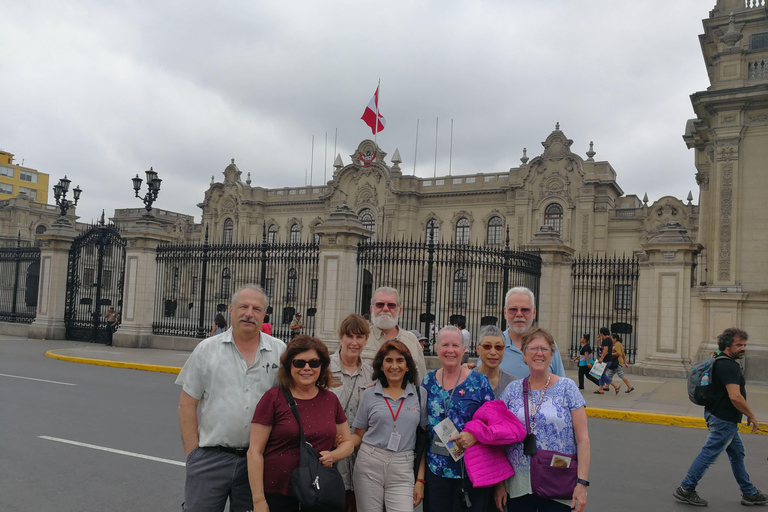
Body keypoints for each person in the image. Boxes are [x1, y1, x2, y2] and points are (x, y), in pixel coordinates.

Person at [175, 284, 285, 512]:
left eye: (256, 309)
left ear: (264, 314)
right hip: (210, 459)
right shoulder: (207, 350)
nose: (249, 313)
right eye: (243, 306)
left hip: (257, 462)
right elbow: (187, 404)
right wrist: (193, 454)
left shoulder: (279, 352)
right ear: (231, 310)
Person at [248, 335, 355, 512]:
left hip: (318, 492)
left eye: (314, 363)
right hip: (277, 492)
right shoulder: (273, 398)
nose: (307, 368)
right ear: (289, 365)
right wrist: (258, 500)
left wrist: (333, 456)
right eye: (299, 363)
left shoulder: (330, 399)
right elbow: (254, 452)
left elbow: (348, 442)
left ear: (322, 366)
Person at [496, 326, 590, 512]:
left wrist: (582, 484)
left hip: (557, 481)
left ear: (551, 354)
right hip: (518, 486)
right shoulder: (512, 391)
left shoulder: (567, 388)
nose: (539, 353)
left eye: (544, 349)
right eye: (533, 348)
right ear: (524, 354)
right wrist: (500, 484)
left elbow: (583, 439)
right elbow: (499, 440)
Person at [674, 328, 768, 507]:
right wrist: (751, 415)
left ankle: (749, 492)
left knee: (737, 454)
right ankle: (686, 488)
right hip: (723, 419)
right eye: (738, 345)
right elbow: (735, 396)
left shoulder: (720, 361)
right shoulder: (728, 365)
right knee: (709, 453)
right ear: (727, 345)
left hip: (722, 416)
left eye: (744, 345)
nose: (743, 348)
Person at [422, 326, 494, 512]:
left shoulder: (479, 382)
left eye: (455, 345)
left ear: (464, 350)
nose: (450, 350)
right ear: (437, 349)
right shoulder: (428, 381)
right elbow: (421, 429)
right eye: (445, 345)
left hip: (471, 471)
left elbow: (494, 424)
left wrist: (476, 436)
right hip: (436, 470)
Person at [351, 340, 428, 512]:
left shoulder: (419, 394)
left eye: (400, 360)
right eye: (389, 360)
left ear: (407, 366)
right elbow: (359, 434)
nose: (394, 366)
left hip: (403, 466)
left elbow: (422, 442)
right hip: (369, 463)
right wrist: (339, 443)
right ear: (381, 366)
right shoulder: (369, 394)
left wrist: (420, 480)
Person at [330, 314, 375, 512]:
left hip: (361, 457)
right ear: (341, 338)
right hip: (330, 455)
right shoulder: (323, 369)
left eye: (359, 337)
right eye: (349, 336)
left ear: (366, 340)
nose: (354, 343)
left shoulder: (372, 374)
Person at [493, 287, 565, 379]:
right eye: (513, 309)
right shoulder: (494, 345)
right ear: (505, 313)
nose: (519, 314)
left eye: (525, 310)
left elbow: (561, 385)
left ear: (534, 313)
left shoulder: (548, 345)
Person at [360, 287, 427, 382]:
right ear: (371, 309)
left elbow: (420, 381)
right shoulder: (359, 339)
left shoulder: (411, 341)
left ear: (399, 311)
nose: (385, 309)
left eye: (391, 305)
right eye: (380, 304)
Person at [473, 325, 517, 398]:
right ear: (478, 349)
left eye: (498, 347)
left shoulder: (512, 384)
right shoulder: (465, 379)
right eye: (487, 346)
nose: (493, 352)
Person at [593, 327, 619, 395]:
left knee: (602, 374)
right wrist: (599, 340)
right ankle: (600, 389)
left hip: (605, 360)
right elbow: (601, 348)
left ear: (602, 333)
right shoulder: (607, 339)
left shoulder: (607, 340)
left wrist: (601, 358)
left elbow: (605, 350)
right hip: (607, 359)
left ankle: (615, 386)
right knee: (601, 374)